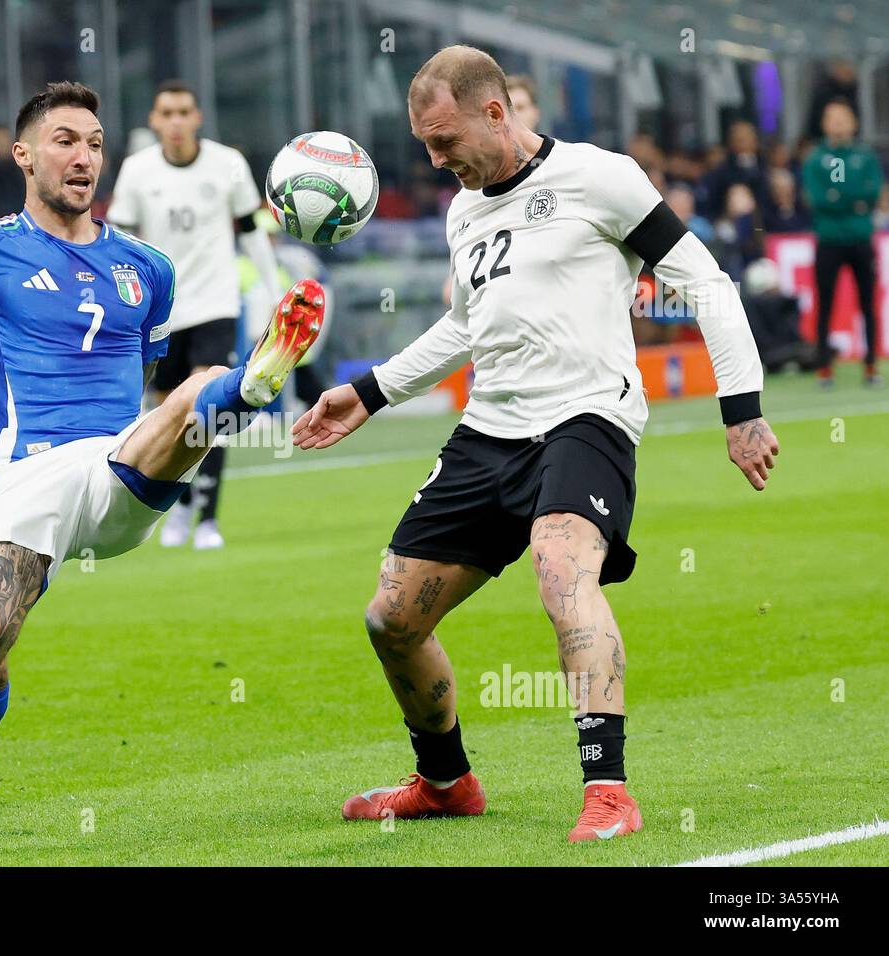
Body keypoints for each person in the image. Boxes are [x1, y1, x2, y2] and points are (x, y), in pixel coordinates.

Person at [0, 81, 323, 859]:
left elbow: (150, 376)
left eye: (93, 142)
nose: (83, 155)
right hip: (24, 472)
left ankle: (252, 384)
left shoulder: (147, 267)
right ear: (24, 155)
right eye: (65, 140)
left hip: (115, 468)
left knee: (192, 387)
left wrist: (181, 417)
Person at [292, 45, 778, 843]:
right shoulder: (464, 208)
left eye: (445, 140)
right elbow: (467, 325)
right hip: (491, 430)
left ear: (497, 112)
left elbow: (706, 284)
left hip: (587, 417)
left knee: (561, 570)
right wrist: (371, 392)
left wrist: (743, 408)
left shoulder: (602, 177)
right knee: (391, 619)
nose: (436, 159)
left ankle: (609, 792)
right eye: (424, 144)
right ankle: (446, 783)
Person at [106, 79, 283, 550]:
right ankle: (180, 505)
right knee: (170, 415)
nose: (177, 121)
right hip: (161, 311)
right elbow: (120, 246)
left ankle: (208, 517)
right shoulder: (137, 171)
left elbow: (249, 231)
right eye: (168, 113)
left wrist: (272, 290)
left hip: (215, 304)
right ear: (154, 121)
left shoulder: (228, 164)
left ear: (198, 117)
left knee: (211, 405)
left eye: (185, 112)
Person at [800, 98, 883, 386]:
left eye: (842, 117)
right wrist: (851, 199)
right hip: (829, 240)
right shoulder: (815, 159)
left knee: (868, 303)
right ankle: (824, 366)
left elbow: (871, 194)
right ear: (824, 124)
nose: (837, 123)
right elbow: (818, 199)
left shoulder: (866, 156)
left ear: (854, 122)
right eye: (831, 118)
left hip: (861, 238)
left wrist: (840, 197)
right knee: (825, 303)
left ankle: (871, 365)